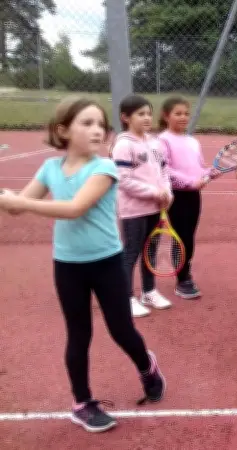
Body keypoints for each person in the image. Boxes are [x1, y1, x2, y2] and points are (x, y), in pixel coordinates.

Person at [0, 96, 165, 433]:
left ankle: (147, 367)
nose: (97, 131)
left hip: (107, 262)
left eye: (100, 125)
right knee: (78, 333)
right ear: (63, 130)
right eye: (86, 123)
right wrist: (10, 201)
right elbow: (18, 206)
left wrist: (19, 202)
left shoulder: (103, 168)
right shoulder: (49, 168)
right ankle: (82, 402)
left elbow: (75, 208)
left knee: (121, 330)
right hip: (68, 265)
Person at [110, 94, 173, 318]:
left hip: (155, 208)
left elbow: (165, 171)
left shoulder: (155, 143)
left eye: (148, 113)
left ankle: (149, 291)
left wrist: (168, 191)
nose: (147, 118)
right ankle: (125, 297)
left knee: (150, 252)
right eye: (140, 114)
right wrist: (154, 192)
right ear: (125, 117)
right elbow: (123, 179)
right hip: (133, 210)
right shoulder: (123, 145)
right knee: (131, 253)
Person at [158, 96, 214, 299]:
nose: (183, 117)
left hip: (194, 196)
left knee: (189, 236)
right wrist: (190, 182)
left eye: (186, 114)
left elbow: (199, 167)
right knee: (181, 237)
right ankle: (182, 279)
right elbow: (166, 170)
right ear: (166, 116)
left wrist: (208, 173)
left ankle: (185, 273)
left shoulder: (192, 141)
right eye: (178, 113)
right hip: (177, 196)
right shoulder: (162, 140)